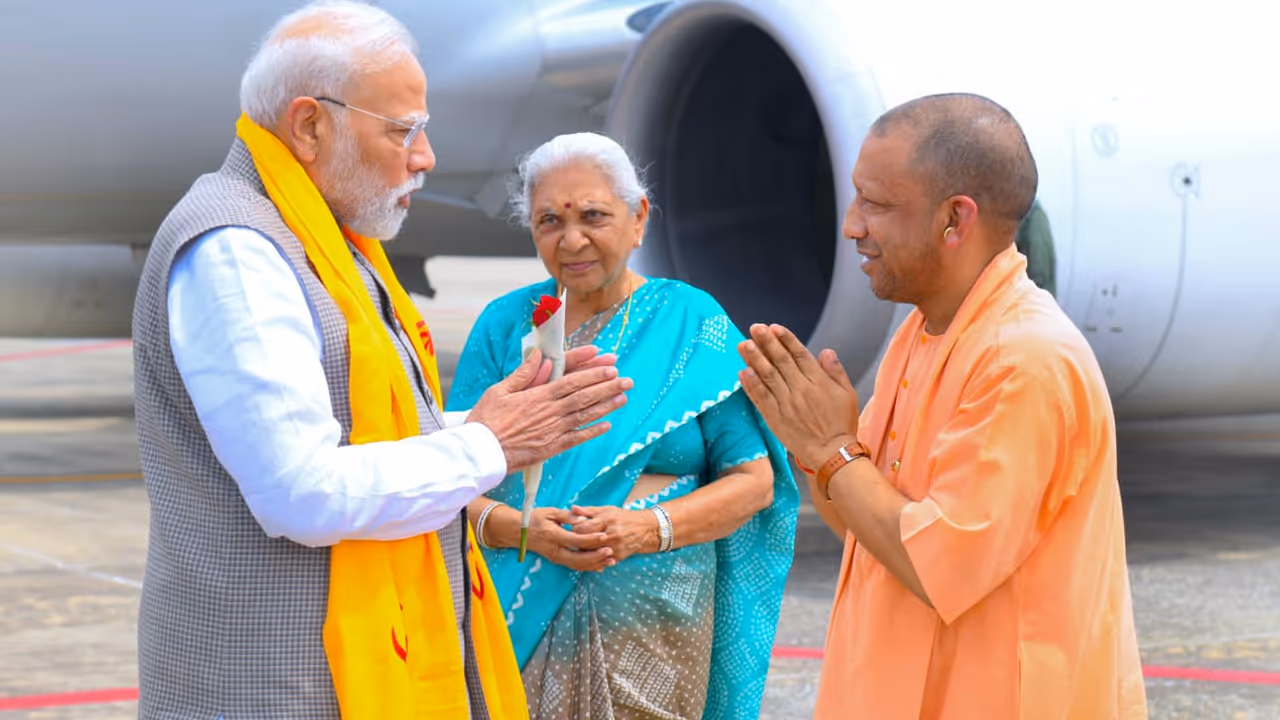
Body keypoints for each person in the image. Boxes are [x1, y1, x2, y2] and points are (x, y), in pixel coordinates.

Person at [130, 3, 632, 718]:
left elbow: (353, 430)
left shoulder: (326, 241)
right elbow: (301, 492)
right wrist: (488, 445)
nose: (424, 157)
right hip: (278, 688)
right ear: (310, 127)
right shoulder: (238, 251)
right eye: (403, 131)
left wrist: (485, 422)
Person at [735, 94, 1147, 718]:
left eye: (875, 203)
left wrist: (832, 449)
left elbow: (935, 566)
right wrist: (811, 445)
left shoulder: (1023, 360)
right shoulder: (925, 331)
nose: (852, 225)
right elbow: (862, 525)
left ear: (955, 219)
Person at [446, 132, 799, 720]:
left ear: (638, 219)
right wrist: (519, 528)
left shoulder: (692, 322)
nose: (572, 239)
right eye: (549, 221)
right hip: (516, 613)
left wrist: (643, 529)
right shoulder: (507, 326)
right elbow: (450, 479)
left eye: (593, 216)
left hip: (656, 631)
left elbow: (754, 483)